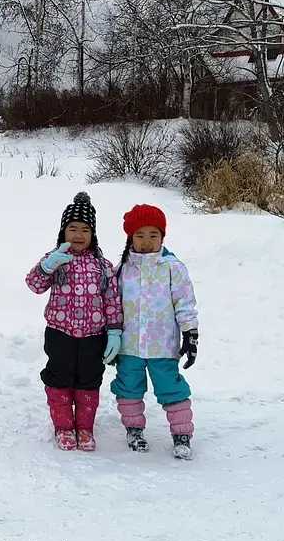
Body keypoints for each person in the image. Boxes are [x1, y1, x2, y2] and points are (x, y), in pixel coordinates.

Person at [25, 192, 121, 452]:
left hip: (94, 336)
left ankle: (85, 428)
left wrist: (114, 332)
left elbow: (112, 300)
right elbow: (33, 285)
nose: (78, 235)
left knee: (89, 379)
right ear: (63, 231)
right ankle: (64, 426)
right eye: (73, 228)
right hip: (60, 333)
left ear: (93, 234)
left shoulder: (103, 265)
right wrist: (47, 266)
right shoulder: (54, 259)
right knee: (59, 377)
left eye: (85, 229)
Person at [110, 204, 198, 460]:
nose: (146, 242)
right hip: (129, 346)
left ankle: (182, 434)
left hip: (163, 345)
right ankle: (134, 430)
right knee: (129, 388)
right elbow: (112, 305)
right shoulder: (122, 270)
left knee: (171, 387)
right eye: (139, 235)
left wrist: (190, 333)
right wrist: (110, 334)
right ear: (130, 237)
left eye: (153, 235)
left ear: (162, 237)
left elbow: (185, 303)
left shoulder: (173, 267)